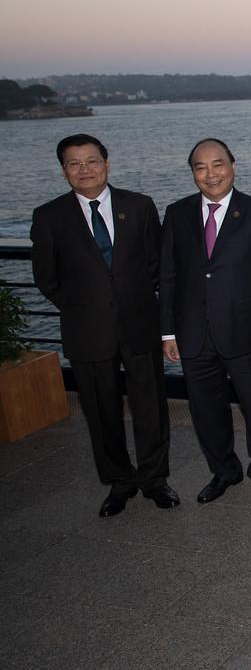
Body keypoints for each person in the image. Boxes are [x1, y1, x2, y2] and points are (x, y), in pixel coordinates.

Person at [30, 134, 177, 517]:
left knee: (151, 408)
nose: (85, 170)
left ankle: (155, 479)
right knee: (100, 411)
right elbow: (46, 278)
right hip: (87, 330)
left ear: (106, 164)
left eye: (92, 161)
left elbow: (156, 263)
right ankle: (119, 481)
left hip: (139, 324)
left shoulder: (139, 206)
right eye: (74, 164)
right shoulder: (49, 216)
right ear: (64, 170)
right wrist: (85, 308)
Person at [160, 138, 251, 503]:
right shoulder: (177, 213)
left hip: (246, 333)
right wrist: (168, 332)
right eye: (200, 167)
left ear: (233, 166)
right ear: (193, 173)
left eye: (218, 164)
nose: (210, 174)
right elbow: (168, 277)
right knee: (205, 411)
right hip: (194, 334)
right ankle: (224, 471)